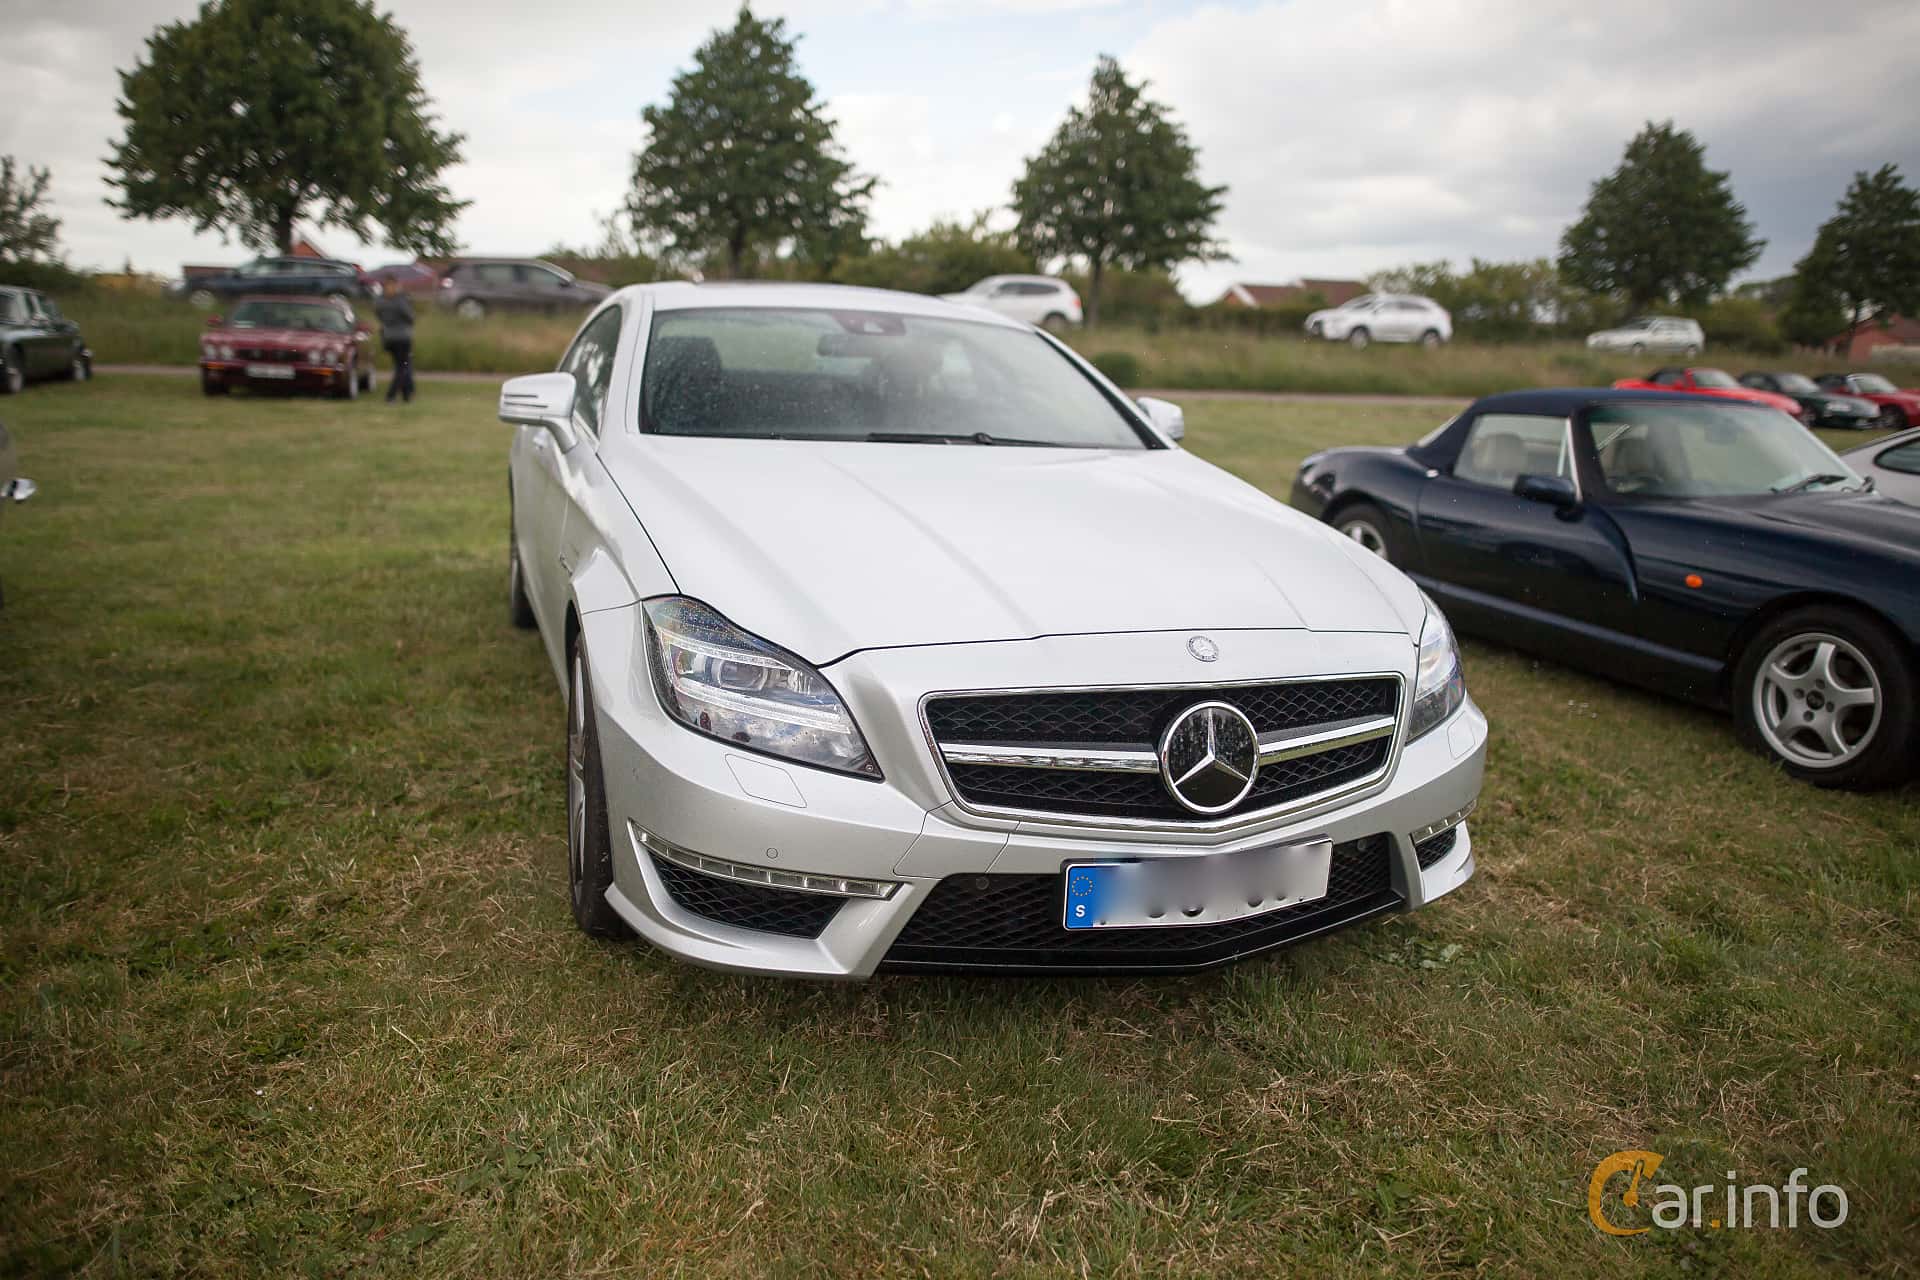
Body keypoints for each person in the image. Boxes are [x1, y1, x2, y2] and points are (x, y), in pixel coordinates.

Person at [374, 281, 415, 403]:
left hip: (388, 337)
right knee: (402, 367)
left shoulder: (380, 302)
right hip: (402, 337)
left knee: (403, 365)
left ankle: (407, 394)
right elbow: (410, 317)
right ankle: (391, 395)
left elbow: (379, 315)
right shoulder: (400, 301)